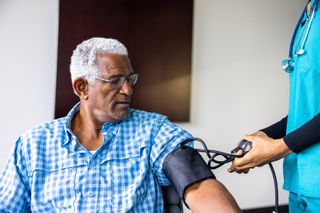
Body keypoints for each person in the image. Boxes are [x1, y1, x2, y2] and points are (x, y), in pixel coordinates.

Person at [0, 37, 240, 212]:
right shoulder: (32, 145)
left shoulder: (153, 131)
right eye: (115, 80)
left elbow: (197, 183)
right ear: (82, 87)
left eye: (130, 79)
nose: (128, 89)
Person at [229, 0, 320, 212]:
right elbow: (308, 109)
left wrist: (278, 147)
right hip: (301, 181)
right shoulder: (310, 13)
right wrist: (263, 136)